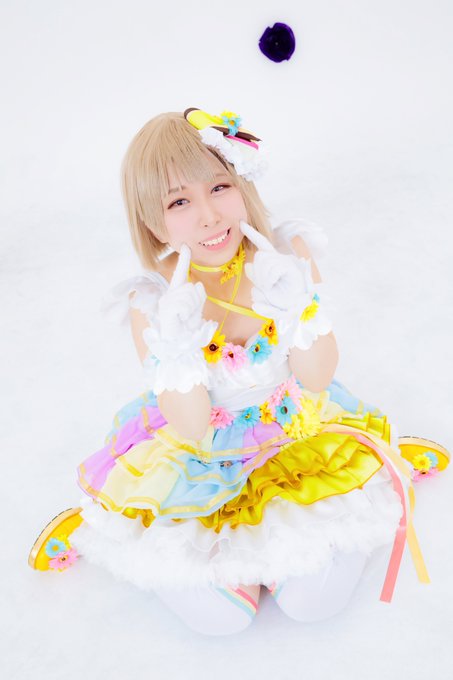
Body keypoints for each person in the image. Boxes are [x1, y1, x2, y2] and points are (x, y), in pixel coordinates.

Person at [28, 107, 450, 636]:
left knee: (313, 604)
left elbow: (317, 378)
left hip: (300, 431)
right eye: (179, 201)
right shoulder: (153, 300)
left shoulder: (285, 252)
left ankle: (380, 464)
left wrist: (298, 309)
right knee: (221, 620)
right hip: (201, 452)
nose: (208, 216)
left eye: (219, 187)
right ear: (152, 220)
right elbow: (190, 424)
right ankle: (105, 524)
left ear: (243, 183)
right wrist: (178, 348)